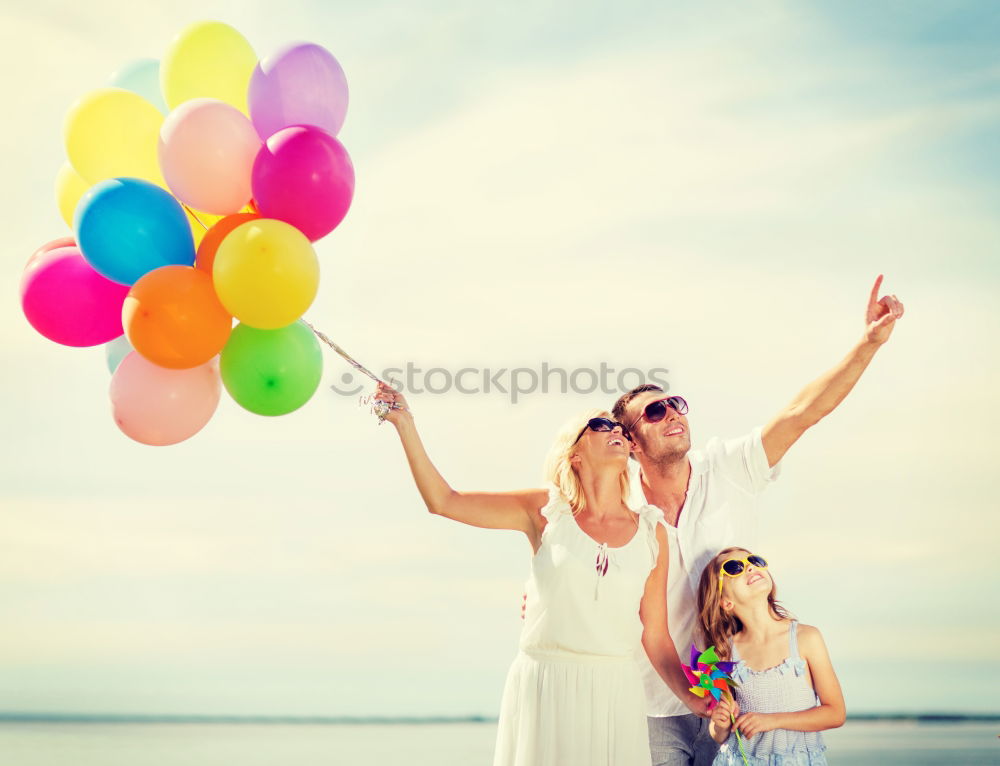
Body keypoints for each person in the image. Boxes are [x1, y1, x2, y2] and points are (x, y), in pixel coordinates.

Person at [610, 276, 903, 765]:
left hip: (738, 697)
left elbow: (801, 412)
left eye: (676, 404)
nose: (673, 415)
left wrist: (868, 344)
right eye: (655, 412)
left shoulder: (730, 467)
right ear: (632, 444)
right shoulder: (619, 511)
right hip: (648, 705)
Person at [373, 381, 707, 766]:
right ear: (575, 454)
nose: (615, 429)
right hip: (545, 685)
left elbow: (656, 634)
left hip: (616, 692)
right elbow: (443, 501)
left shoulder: (653, 532)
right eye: (600, 426)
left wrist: (692, 698)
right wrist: (405, 424)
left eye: (617, 427)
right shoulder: (545, 512)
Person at [697, 547, 845, 765]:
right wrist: (719, 723)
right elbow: (721, 735)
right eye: (734, 568)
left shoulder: (806, 638)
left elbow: (835, 713)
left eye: (754, 561)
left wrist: (772, 721)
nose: (750, 566)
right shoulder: (724, 653)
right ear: (725, 602)